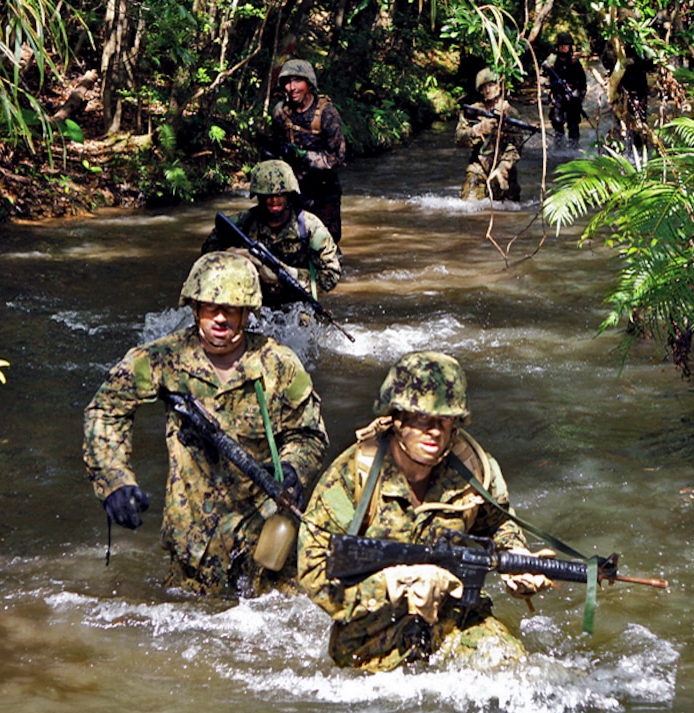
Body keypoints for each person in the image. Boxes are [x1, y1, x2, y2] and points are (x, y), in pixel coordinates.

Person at [83, 251, 329, 597]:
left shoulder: (279, 365)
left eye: (231, 308)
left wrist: (292, 469)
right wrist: (114, 480)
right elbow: (107, 408)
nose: (220, 318)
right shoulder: (163, 359)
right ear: (195, 307)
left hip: (265, 539)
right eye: (210, 307)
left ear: (247, 312)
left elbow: (309, 433)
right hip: (194, 549)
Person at [297, 351, 552, 671]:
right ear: (397, 418)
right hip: (372, 635)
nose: (434, 430)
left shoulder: (474, 470)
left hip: (456, 623)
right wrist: (399, 583)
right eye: (422, 418)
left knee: (518, 674)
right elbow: (313, 573)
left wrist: (516, 557)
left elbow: (498, 523)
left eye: (445, 420)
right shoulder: (353, 476)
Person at [201, 160, 342, 310]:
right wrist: (236, 255)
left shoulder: (310, 228)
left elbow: (331, 275)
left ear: (289, 194)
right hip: (252, 304)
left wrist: (288, 274)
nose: (274, 200)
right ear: (259, 196)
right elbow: (207, 254)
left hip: (296, 306)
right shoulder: (244, 223)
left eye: (280, 194)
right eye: (267, 194)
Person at [269, 59, 346, 245]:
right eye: (288, 82)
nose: (292, 87)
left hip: (324, 192)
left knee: (325, 244)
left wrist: (306, 157)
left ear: (309, 84)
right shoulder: (280, 113)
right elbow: (273, 148)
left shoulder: (327, 113)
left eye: (298, 81)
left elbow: (338, 157)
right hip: (294, 191)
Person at [455, 68, 525, 202]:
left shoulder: (510, 112)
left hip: (504, 168)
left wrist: (504, 166)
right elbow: (459, 139)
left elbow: (517, 145)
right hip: (479, 166)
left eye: (491, 85)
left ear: (499, 87)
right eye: (484, 87)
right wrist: (478, 129)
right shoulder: (473, 111)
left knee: (509, 210)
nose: (488, 90)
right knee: (468, 206)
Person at [542, 33, 589, 148]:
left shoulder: (575, 63)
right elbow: (543, 78)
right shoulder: (551, 62)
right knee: (557, 120)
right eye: (561, 45)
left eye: (566, 45)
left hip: (572, 97)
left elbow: (582, 82)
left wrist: (579, 95)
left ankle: (573, 147)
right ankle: (559, 144)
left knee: (573, 124)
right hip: (557, 96)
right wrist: (550, 86)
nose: (564, 48)